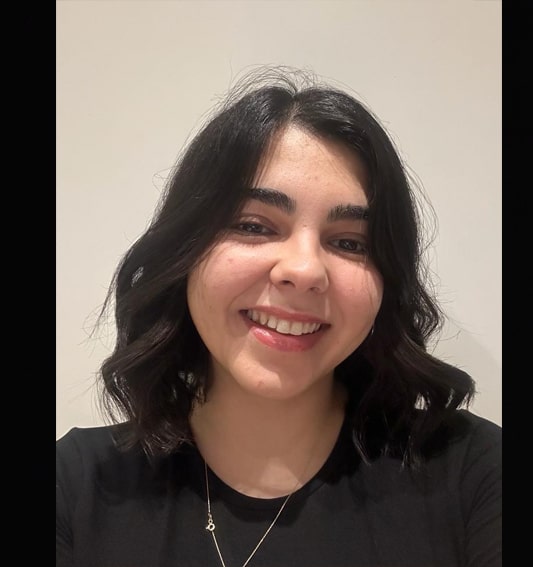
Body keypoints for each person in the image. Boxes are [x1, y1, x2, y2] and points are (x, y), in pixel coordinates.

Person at [56, 66, 502, 567]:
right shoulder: (75, 486)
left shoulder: (476, 474)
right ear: (185, 252)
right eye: (254, 226)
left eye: (349, 242)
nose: (305, 270)